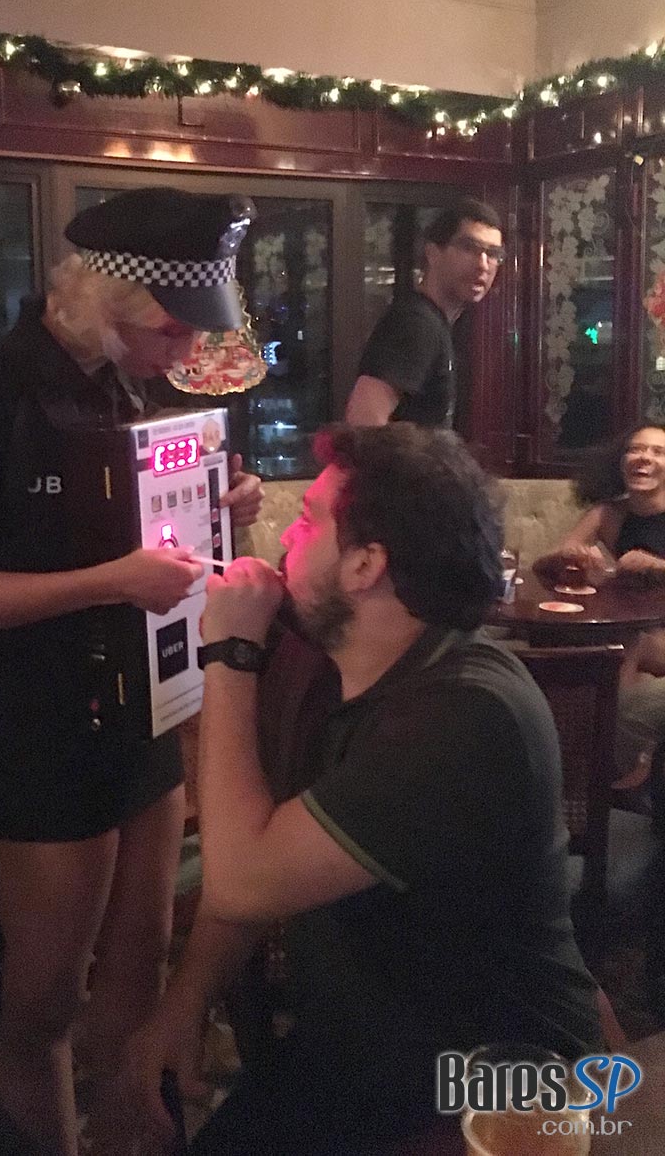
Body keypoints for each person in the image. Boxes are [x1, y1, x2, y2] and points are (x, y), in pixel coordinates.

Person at [124, 424, 600, 1154]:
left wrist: (229, 651)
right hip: (363, 1061)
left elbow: (241, 881)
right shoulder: (343, 672)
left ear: (365, 565)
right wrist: (184, 1001)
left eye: (308, 521)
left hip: (485, 1095)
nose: (288, 540)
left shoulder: (465, 714)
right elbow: (268, 856)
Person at [0, 187, 264, 1156]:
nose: (184, 351)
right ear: (107, 302)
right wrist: (110, 581)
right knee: (45, 1005)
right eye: (169, 329)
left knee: (139, 977)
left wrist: (221, 503)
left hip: (146, 707)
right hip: (41, 721)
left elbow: (154, 539)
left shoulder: (125, 383)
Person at [534, 423, 665, 779]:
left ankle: (607, 770)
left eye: (657, 451)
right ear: (621, 461)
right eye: (635, 449)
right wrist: (571, 558)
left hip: (651, 634)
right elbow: (546, 566)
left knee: (629, 643)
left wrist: (657, 566)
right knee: (576, 639)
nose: (644, 458)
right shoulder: (609, 513)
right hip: (634, 624)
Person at [344, 198, 503, 427]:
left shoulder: (433, 321)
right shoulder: (417, 323)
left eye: (493, 253)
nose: (483, 265)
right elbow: (363, 422)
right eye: (469, 248)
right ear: (432, 253)